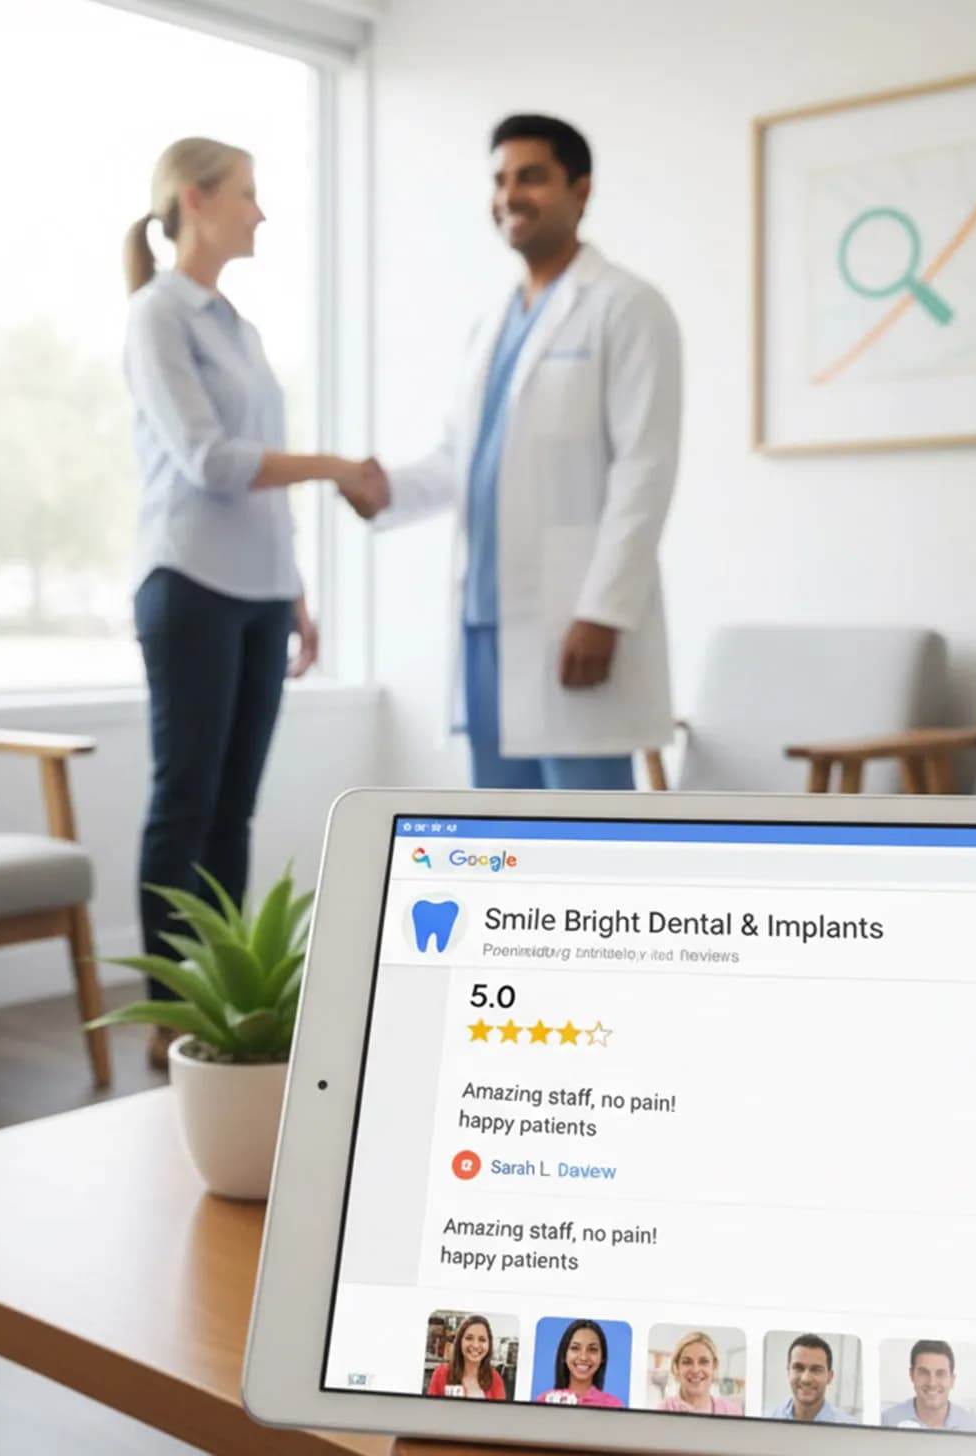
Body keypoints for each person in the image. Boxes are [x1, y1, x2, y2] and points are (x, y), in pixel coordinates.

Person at [121, 137, 388, 1069]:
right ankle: (165, 1009)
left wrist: (297, 594)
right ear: (196, 200)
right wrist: (339, 468)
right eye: (247, 194)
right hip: (188, 586)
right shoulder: (158, 315)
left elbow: (257, 483)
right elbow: (212, 463)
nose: (261, 211)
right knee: (184, 800)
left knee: (232, 808)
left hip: (259, 593)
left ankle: (222, 1006)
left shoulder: (239, 327)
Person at [374, 113, 683, 790]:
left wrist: (602, 612)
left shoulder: (627, 306)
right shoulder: (489, 325)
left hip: (571, 617)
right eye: (499, 179)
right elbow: (460, 459)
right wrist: (381, 489)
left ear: (581, 190)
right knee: (500, 845)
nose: (509, 195)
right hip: (487, 623)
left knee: (586, 841)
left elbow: (645, 469)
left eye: (531, 177)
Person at [880, 1340, 976, 1432]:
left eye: (940, 1373)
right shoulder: (887, 1421)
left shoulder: (975, 1426)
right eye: (924, 1372)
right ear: (911, 1375)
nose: (932, 1383)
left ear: (952, 1380)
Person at [765, 1334, 853, 1423]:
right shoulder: (765, 1422)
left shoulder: (850, 1429)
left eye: (816, 1370)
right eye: (798, 1368)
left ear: (830, 1377)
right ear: (788, 1372)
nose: (806, 1379)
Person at [537, 1319, 624, 1407]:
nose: (583, 1357)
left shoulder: (613, 1405)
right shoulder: (545, 1401)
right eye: (575, 1348)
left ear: (602, 1358)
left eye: (592, 1349)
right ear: (564, 1354)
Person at [658, 1330, 740, 1415]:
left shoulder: (732, 1411)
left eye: (704, 1362)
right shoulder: (663, 1410)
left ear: (714, 1366)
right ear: (677, 1367)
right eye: (687, 1362)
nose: (695, 1370)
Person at [426, 1315, 508, 1400]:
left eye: (482, 1339)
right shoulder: (441, 1373)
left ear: (489, 1344)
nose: (475, 1345)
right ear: (460, 1342)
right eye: (469, 1338)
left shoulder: (495, 1378)